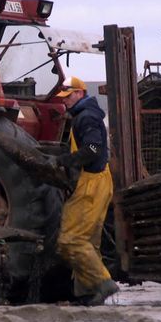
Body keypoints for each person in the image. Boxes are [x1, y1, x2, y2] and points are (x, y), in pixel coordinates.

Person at [55, 76, 119, 306]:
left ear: (80, 93)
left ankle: (103, 283)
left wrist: (67, 161)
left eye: (69, 96)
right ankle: (87, 294)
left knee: (70, 239)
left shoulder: (87, 117)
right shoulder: (85, 115)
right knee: (89, 242)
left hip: (91, 183)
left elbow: (93, 148)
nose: (66, 101)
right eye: (64, 97)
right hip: (98, 181)